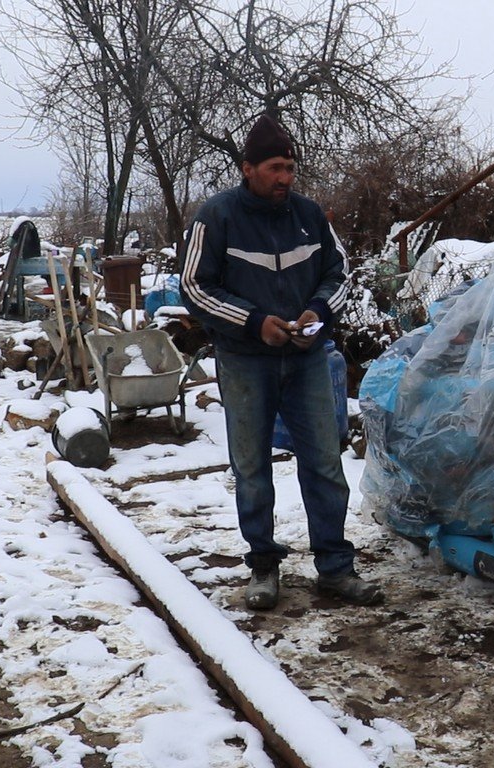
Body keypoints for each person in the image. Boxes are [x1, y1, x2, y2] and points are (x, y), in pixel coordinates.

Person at [181, 114, 383, 610]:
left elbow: (339, 273)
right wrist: (255, 323)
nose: (285, 178)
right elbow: (194, 286)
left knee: (324, 465)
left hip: (308, 359)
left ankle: (335, 568)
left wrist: (318, 312)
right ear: (247, 168)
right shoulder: (217, 217)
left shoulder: (310, 216)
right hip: (245, 361)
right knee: (252, 470)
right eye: (274, 167)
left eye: (290, 168)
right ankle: (264, 568)